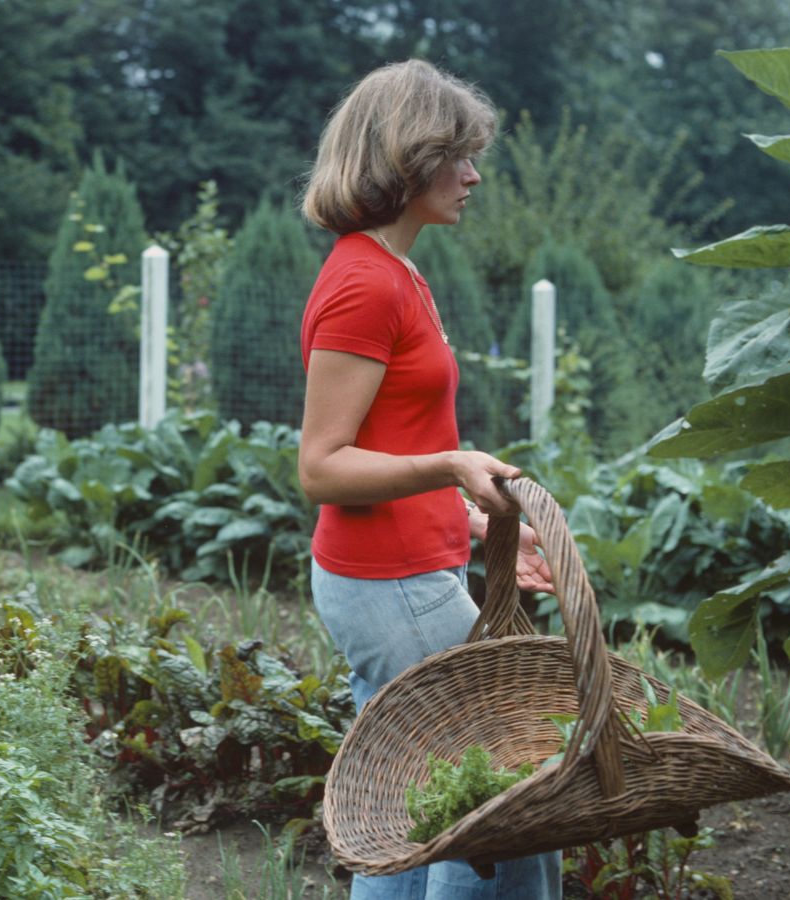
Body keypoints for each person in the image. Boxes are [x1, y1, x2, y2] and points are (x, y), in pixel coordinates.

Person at [297, 59, 561, 899]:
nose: (474, 174)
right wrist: (452, 465)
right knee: (501, 814)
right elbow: (322, 466)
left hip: (412, 569)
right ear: (405, 160)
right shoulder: (364, 285)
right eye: (457, 156)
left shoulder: (398, 273)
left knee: (421, 812)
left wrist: (467, 519)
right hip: (390, 587)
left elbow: (386, 439)